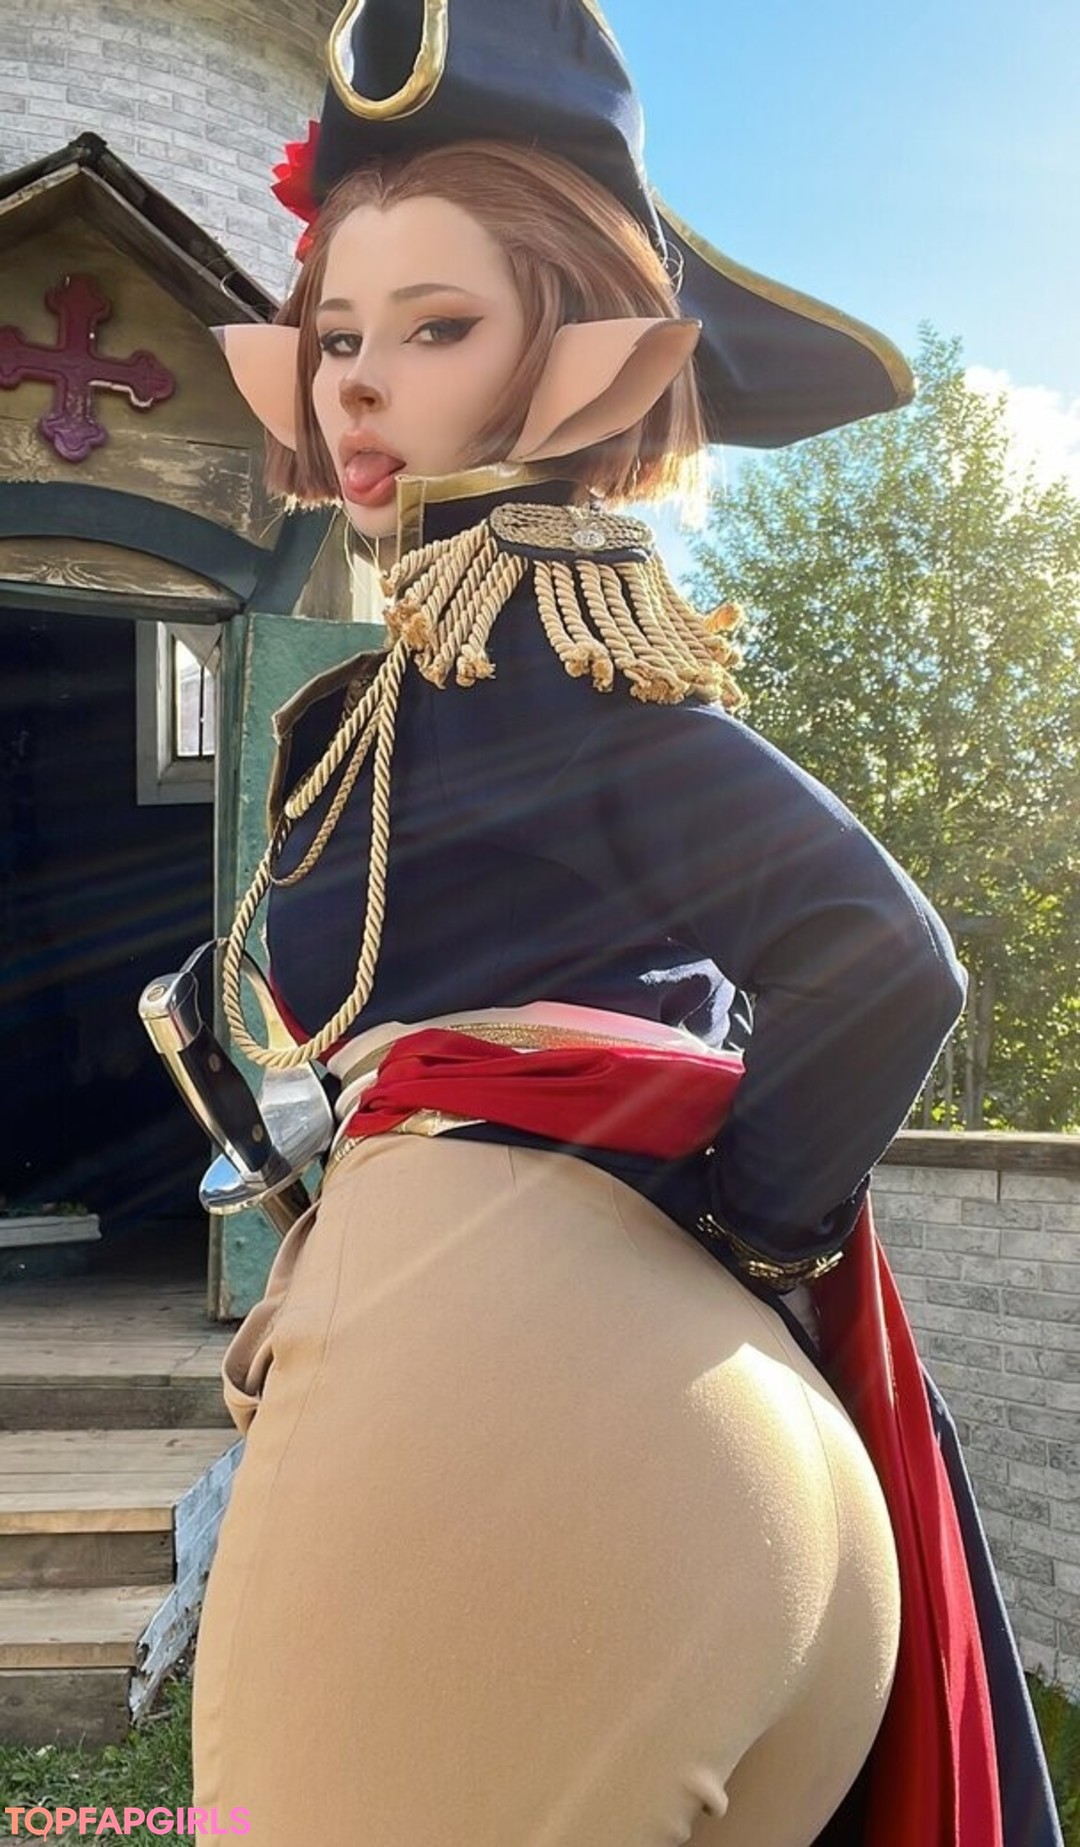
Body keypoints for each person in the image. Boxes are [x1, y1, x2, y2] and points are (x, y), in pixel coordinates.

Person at [191, 6, 1058, 1845]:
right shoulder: (406, 683)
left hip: (539, 1421)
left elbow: (881, 955)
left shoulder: (524, 650)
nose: (359, 383)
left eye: (438, 327)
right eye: (337, 335)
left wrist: (744, 1221)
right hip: (612, 1420)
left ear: (583, 364)